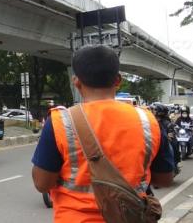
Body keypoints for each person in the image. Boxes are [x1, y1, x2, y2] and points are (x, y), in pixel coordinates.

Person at [31, 45, 174, 222]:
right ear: (118, 80)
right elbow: (165, 179)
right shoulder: (147, 120)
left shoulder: (61, 121)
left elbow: (42, 183)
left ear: (76, 82)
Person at [150, 102, 181, 172]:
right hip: (152, 141)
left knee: (174, 144)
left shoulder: (167, 123)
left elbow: (170, 135)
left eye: (153, 110)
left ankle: (175, 162)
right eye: (151, 110)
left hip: (163, 142)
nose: (151, 111)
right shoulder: (149, 121)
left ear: (159, 112)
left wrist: (168, 137)